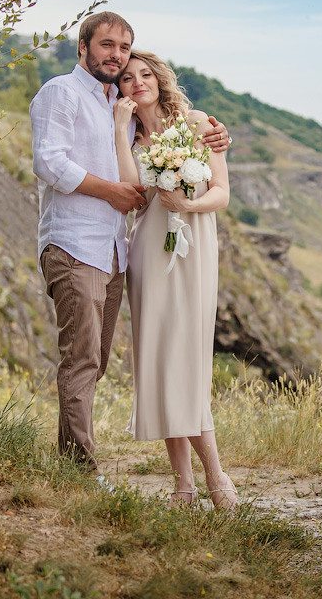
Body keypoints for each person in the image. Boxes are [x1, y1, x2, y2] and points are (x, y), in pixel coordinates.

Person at [30, 12, 228, 471]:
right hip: (76, 244)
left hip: (118, 250)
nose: (117, 57)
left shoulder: (114, 105)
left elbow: (201, 166)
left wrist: (217, 138)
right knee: (84, 360)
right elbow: (50, 163)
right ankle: (81, 471)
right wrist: (116, 191)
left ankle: (74, 464)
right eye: (107, 46)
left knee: (94, 360)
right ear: (83, 47)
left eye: (125, 49)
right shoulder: (62, 93)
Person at [113, 50, 237, 509]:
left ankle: (216, 474)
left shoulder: (198, 122)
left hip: (196, 247)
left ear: (159, 79)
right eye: (127, 78)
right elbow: (132, 196)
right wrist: (117, 131)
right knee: (162, 362)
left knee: (190, 361)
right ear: (120, 89)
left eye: (145, 74)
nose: (137, 83)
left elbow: (221, 193)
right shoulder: (129, 137)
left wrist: (188, 207)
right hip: (149, 250)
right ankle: (183, 485)